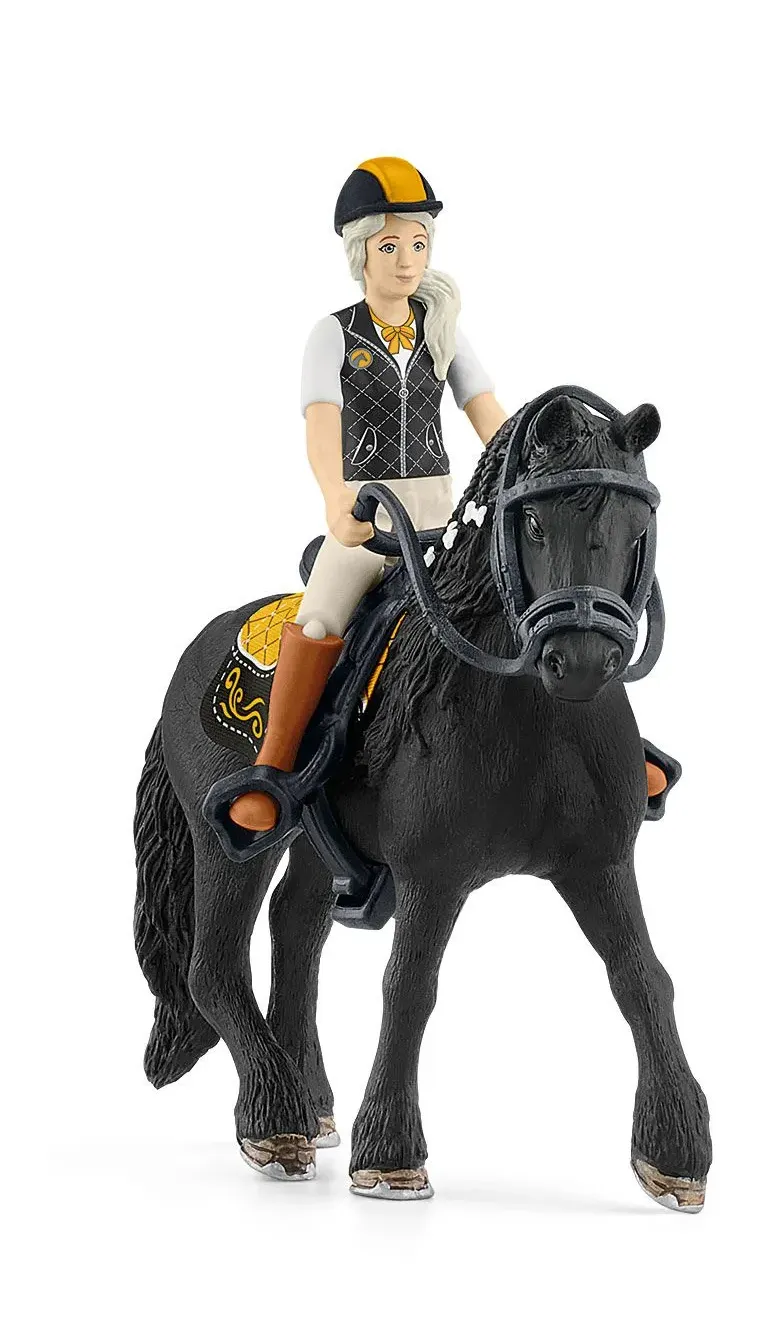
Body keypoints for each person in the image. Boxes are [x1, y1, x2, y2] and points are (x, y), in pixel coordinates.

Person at [229, 157, 507, 831]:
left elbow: (489, 415)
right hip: (369, 516)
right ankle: (274, 766)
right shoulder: (334, 334)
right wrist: (336, 499)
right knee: (320, 617)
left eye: (419, 244)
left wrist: (521, 470)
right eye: (390, 246)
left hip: (444, 517)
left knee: (527, 597)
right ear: (361, 253)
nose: (408, 261)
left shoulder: (443, 330)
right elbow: (321, 425)